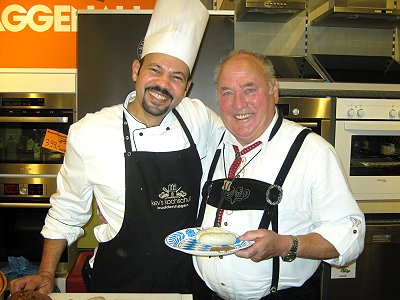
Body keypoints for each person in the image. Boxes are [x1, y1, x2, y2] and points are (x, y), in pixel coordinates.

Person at [10, 0, 220, 296]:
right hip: (120, 280)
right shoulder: (90, 132)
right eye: (155, 70)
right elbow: (67, 210)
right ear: (136, 70)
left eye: (176, 77)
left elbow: (241, 153)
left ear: (186, 88)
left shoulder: (199, 118)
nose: (163, 84)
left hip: (187, 280)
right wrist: (46, 273)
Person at [194, 50, 366, 300]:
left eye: (249, 89)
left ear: (274, 90)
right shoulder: (210, 144)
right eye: (227, 92)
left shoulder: (313, 152)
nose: (238, 103)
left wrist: (285, 244)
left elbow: (350, 237)